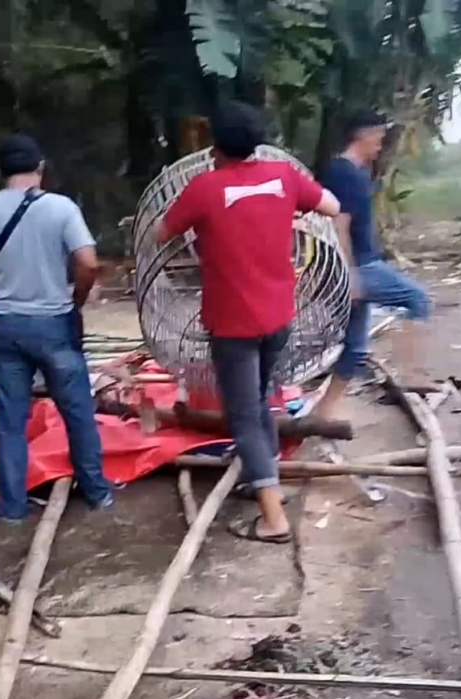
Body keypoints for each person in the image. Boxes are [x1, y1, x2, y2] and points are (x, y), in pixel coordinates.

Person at [155, 102, 340, 543]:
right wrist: (286, 212)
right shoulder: (283, 176)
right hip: (279, 316)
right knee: (259, 401)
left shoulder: (205, 187)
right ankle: (267, 479)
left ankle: (273, 519)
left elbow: (161, 233)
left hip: (233, 324)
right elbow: (331, 206)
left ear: (213, 145)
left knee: (244, 417)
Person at [0, 134, 114, 523]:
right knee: (77, 411)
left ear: (2, 171)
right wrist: (76, 299)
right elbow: (88, 263)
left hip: (6, 326)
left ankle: (11, 507)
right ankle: (97, 493)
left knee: (10, 420)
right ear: (40, 168)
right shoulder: (62, 208)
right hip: (55, 324)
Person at [310, 110, 433, 420]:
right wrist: (349, 275)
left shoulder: (351, 171)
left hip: (355, 264)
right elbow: (338, 225)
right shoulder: (345, 174)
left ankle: (325, 411)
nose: (381, 143)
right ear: (362, 136)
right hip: (360, 266)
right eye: (378, 136)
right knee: (418, 299)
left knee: (354, 345)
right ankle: (411, 374)